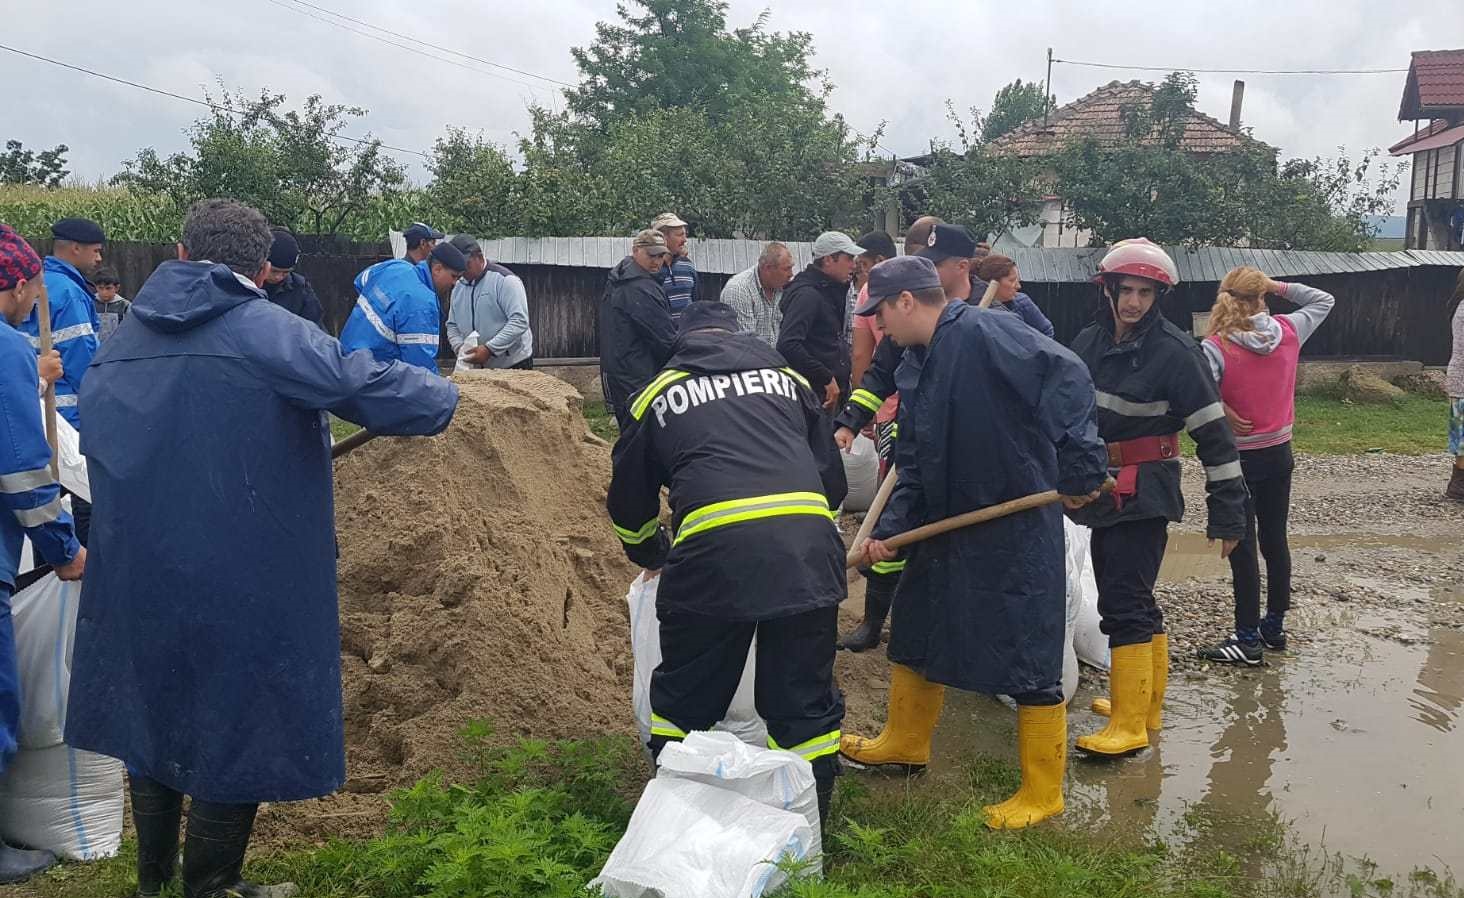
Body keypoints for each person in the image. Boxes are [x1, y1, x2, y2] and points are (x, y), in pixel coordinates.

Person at [66, 199, 459, 898]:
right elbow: (357, 381)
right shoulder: (266, 330)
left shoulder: (123, 339)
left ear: (181, 254)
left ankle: (153, 881)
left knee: (153, 707)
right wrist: (441, 398)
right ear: (260, 269)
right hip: (238, 564)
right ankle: (213, 885)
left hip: (137, 562)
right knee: (235, 714)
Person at [839, 256, 1108, 830]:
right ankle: (905, 744)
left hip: (1009, 520)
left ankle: (1043, 791)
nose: (879, 328)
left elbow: (1067, 375)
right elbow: (913, 460)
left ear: (907, 301)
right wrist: (891, 530)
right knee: (916, 627)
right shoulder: (918, 360)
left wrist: (1082, 464)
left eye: (881, 314)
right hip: (943, 519)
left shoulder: (990, 333)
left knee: (1029, 649)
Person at [607, 301, 848, 827]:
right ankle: (808, 829)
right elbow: (831, 481)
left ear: (681, 342)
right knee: (803, 701)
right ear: (739, 336)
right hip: (807, 558)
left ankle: (675, 821)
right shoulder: (790, 381)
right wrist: (807, 540)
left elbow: (629, 503)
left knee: (687, 694)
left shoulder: (656, 395)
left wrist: (653, 553)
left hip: (712, 561)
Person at [1067, 239, 1246, 758]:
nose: (1134, 302)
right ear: (1109, 289)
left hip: (1144, 492)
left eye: (1146, 293)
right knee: (1136, 597)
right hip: (1101, 483)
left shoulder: (1176, 352)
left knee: (1124, 603)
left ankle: (1128, 726)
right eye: (1127, 290)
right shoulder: (1089, 341)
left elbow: (1216, 438)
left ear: (1158, 296)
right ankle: (1144, 707)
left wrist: (1229, 514)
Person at [0, 224, 86, 885]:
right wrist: (62, 548)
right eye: (32, 288)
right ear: (20, 284)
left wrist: (27, 379)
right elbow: (27, 472)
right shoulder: (4, 344)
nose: (36, 302)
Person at [1193, 268, 1335, 664]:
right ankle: (1274, 627)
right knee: (1276, 540)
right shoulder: (1290, 330)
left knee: (1241, 544)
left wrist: (1223, 407)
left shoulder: (1216, 345)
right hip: (1279, 451)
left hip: (1237, 457)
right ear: (1263, 298)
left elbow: (1200, 394)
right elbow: (1324, 300)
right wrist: (1278, 285)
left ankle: (1246, 639)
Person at [340, 241, 466, 372]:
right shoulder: (422, 303)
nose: (455, 283)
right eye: (454, 276)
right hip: (371, 372)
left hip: (346, 355)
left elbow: (360, 281)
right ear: (437, 269)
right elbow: (420, 369)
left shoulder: (396, 267)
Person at [27, 217, 103, 431]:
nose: (99, 258)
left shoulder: (38, 284)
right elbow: (82, 362)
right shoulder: (70, 294)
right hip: (67, 417)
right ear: (76, 248)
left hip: (34, 407)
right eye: (96, 251)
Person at [777, 231, 864, 411]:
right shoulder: (807, 295)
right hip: (814, 397)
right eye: (848, 258)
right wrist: (824, 377)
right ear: (828, 260)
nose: (853, 264)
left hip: (830, 394)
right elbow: (788, 344)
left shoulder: (830, 289)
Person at [599, 229, 677, 428]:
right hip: (638, 377)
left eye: (661, 255)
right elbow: (664, 340)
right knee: (644, 437)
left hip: (621, 371)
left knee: (631, 436)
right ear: (636, 251)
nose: (657, 261)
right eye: (651, 255)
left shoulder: (620, 277)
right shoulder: (639, 288)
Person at [445, 235, 534, 370]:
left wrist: (490, 349)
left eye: (466, 265)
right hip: (477, 367)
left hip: (513, 364)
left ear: (479, 258)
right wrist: (460, 348)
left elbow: (519, 320)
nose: (462, 271)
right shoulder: (458, 287)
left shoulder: (505, 280)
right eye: (458, 266)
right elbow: (452, 325)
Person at [719, 242, 793, 345]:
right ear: (767, 268)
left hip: (774, 358)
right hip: (749, 358)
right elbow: (744, 346)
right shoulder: (739, 290)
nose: (791, 274)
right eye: (786, 269)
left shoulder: (782, 288)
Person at [973, 254, 1055, 338]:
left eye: (1017, 280)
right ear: (991, 283)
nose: (1018, 286)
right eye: (1012, 280)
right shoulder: (972, 308)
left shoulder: (1022, 303)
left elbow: (1046, 331)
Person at [262, 229, 324, 328]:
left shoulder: (301, 289)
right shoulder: (245, 286)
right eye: (274, 271)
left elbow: (316, 330)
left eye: (285, 272)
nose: (278, 277)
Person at [652, 212, 699, 321]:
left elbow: (696, 301)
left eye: (685, 234)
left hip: (686, 335)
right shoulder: (650, 268)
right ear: (663, 238)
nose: (684, 240)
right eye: (679, 235)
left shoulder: (687, 265)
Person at [1448, 269, 1464, 502]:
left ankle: (1458, 485)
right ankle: (1458, 486)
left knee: (1462, 437)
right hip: (1462, 380)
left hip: (1458, 379)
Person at [92, 267, 130, 342]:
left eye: (108, 288)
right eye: (101, 288)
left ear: (116, 288)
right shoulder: (90, 303)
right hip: (95, 348)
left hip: (116, 348)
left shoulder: (125, 306)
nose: (104, 292)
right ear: (96, 287)